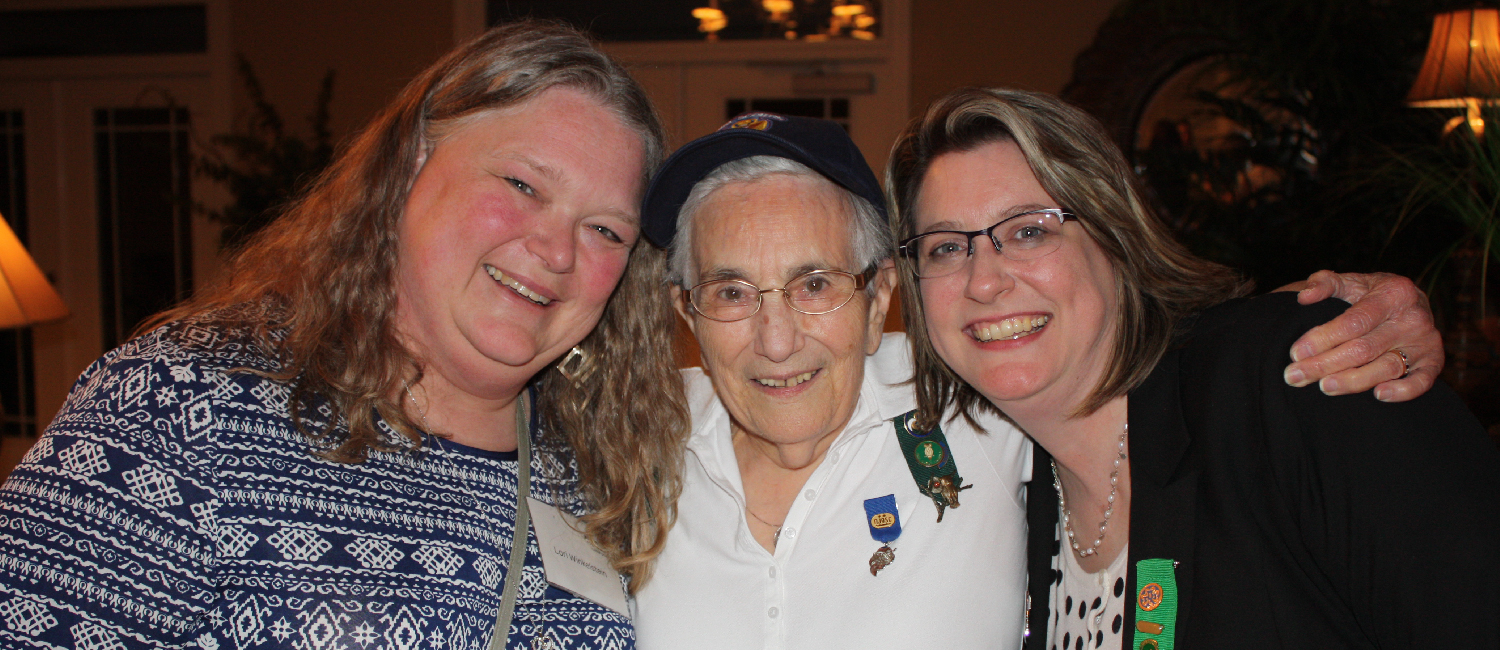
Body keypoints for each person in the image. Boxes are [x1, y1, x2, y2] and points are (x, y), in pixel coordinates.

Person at [630, 112, 1444, 648]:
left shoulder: (968, 404)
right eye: (731, 292)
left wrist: (1329, 319)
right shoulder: (629, 445)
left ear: (879, 297)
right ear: (685, 312)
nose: (776, 340)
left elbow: (1128, 357)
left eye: (815, 283)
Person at [0, 21, 687, 649]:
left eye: (606, 230)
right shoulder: (184, 406)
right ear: (413, 164)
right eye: (522, 184)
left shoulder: (605, 469)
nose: (558, 251)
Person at [886, 87, 1500, 649]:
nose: (984, 281)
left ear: (1115, 235)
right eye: (946, 247)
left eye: (1027, 232)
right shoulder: (1012, 492)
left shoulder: (1299, 377)